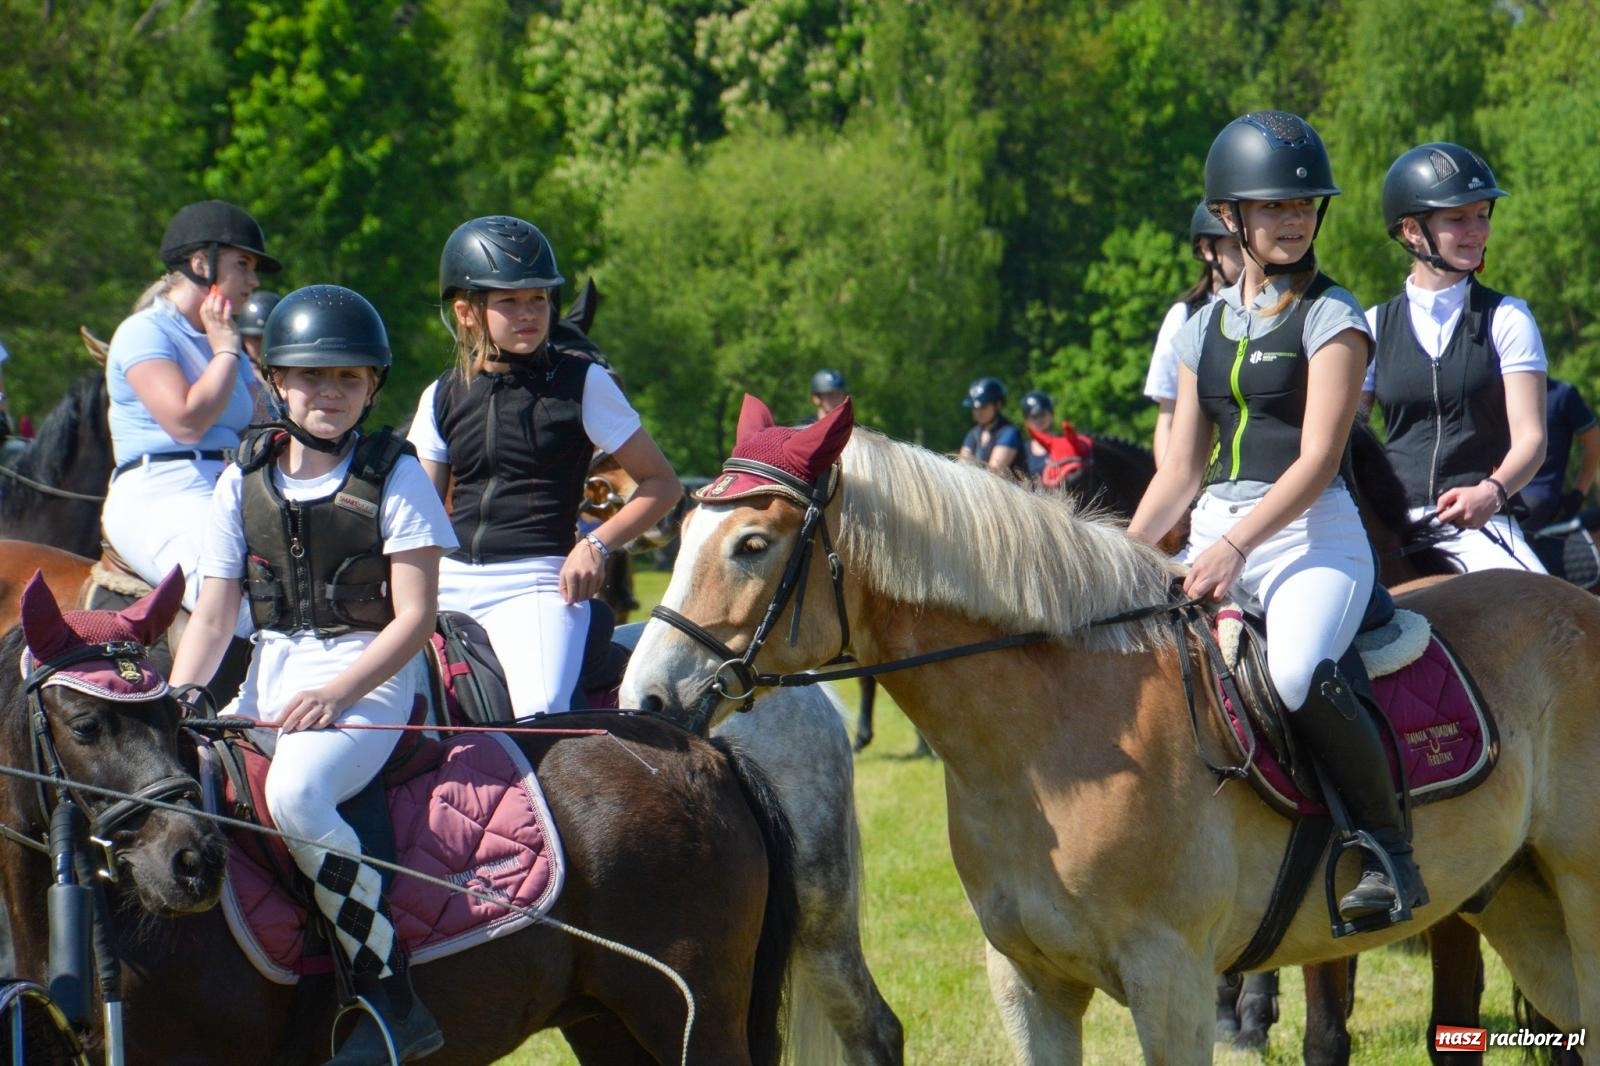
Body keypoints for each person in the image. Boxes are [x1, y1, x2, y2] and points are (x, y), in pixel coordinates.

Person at [1127, 111, 1426, 924]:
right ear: (1231, 217)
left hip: (1311, 537)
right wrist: (1117, 555)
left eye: (1303, 207)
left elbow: (1319, 461)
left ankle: (1385, 849)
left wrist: (1230, 546)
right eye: (1273, 208)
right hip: (1214, 530)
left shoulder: (1336, 317)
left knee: (1296, 673)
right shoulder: (1198, 327)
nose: (1292, 221)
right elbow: (1182, 469)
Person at [170, 285, 455, 1063]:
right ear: (275, 381)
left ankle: (390, 994)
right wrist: (185, 701)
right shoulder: (242, 479)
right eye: (311, 377)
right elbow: (215, 614)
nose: (329, 393)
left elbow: (414, 619)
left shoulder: (397, 476)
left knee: (297, 790)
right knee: (168, 779)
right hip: (271, 673)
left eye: (348, 379)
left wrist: (338, 693)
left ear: (372, 387)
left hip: (374, 679)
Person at [408, 215, 680, 716]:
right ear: (467, 311)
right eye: (509, 301)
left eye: (538, 299)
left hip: (538, 582)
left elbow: (662, 484)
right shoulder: (440, 395)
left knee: (542, 708)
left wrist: (597, 544)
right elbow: (419, 513)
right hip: (447, 582)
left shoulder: (585, 383)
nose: (529, 313)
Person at [1364, 142, 1548, 573]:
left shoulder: (1507, 318)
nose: (1477, 230)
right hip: (1395, 528)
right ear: (1412, 230)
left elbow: (1532, 440)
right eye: (1458, 218)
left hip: (1483, 524)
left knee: (1555, 617)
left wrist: (1491, 491)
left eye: (1482, 214)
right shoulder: (1371, 326)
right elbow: (1345, 440)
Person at [102, 200, 281, 620]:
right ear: (202, 263)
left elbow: (267, 422)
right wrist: (225, 352)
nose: (253, 281)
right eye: (244, 265)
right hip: (160, 490)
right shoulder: (143, 331)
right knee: (234, 603)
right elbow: (185, 421)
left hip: (228, 485)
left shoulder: (222, 338)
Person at [1146, 202, 1245, 465]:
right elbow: (1167, 417)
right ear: (1206, 249)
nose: (1248, 257)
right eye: (1236, 247)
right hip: (1201, 472)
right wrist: (1181, 501)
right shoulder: (1184, 316)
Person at [1523, 377, 1600, 531]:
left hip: (1538, 496)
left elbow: (1593, 439)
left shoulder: (1563, 394)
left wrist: (1579, 493)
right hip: (1504, 491)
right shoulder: (1499, 394)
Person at [958, 377, 1029, 479]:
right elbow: (962, 466)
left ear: (998, 405)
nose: (978, 412)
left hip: (1009, 493)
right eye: (974, 408)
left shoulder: (1009, 433)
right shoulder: (973, 434)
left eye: (983, 407)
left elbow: (994, 472)